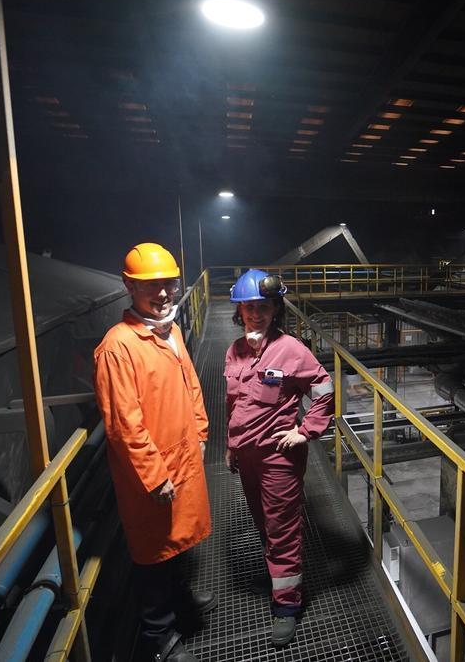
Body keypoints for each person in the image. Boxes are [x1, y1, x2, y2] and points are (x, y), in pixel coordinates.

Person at [94, 242, 215, 662]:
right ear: (129, 286)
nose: (162, 293)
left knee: (180, 542)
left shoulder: (170, 331)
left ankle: (182, 604)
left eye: (167, 283)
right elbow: (124, 424)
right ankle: (160, 639)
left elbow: (192, 385)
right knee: (153, 556)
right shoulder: (118, 347)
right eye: (151, 285)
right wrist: (154, 475)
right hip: (153, 473)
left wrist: (201, 432)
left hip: (183, 457)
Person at [224, 270, 334, 647]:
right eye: (249, 307)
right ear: (239, 310)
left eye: (264, 307)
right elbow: (234, 404)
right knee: (263, 523)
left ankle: (287, 605)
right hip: (247, 456)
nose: (256, 314)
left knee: (282, 530)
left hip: (278, 459)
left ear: (275, 309)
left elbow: (324, 391)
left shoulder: (292, 351)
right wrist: (230, 445)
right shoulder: (234, 350)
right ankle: (277, 578)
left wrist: (303, 432)